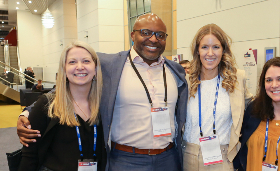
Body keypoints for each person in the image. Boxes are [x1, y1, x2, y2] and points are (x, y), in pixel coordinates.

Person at [17, 13, 188, 171]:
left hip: (169, 157)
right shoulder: (110, 65)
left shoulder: (176, 71)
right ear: (132, 35)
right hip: (126, 160)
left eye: (160, 35)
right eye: (145, 32)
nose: (153, 39)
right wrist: (28, 112)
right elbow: (70, 82)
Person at [18, 41, 106, 171]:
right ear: (64, 69)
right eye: (72, 62)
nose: (80, 67)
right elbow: (30, 156)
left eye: (86, 61)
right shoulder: (47, 105)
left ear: (96, 68)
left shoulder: (105, 104)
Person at [183, 23, 253, 170]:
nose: (210, 53)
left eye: (215, 47)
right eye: (204, 47)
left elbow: (253, 110)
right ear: (197, 51)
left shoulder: (237, 80)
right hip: (188, 156)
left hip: (222, 158)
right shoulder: (187, 83)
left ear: (223, 50)